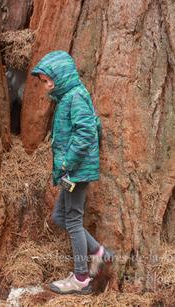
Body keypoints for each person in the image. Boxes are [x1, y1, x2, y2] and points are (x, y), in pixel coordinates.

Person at [31, 50, 113, 295]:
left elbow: (87, 131)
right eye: (44, 82)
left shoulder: (74, 96)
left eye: (48, 81)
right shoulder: (70, 96)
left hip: (75, 173)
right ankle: (100, 253)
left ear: (62, 75)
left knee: (73, 221)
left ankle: (81, 279)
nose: (46, 87)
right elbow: (95, 124)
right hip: (74, 172)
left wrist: (68, 163)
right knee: (61, 217)